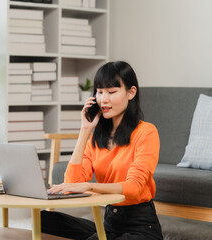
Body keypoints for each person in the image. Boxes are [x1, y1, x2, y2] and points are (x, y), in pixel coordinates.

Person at [41, 61, 163, 240]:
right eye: (99, 92)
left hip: (141, 227)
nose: (103, 99)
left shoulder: (146, 132)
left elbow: (135, 188)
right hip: (109, 225)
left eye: (111, 92)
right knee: (43, 219)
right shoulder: (97, 138)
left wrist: (89, 186)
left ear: (131, 93)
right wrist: (85, 130)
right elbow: (72, 182)